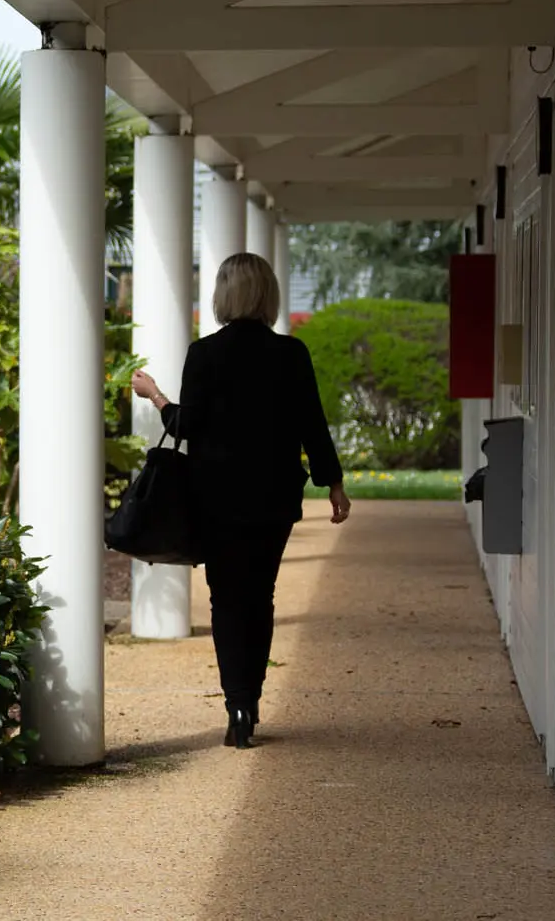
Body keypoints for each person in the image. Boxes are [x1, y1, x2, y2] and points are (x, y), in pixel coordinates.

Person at [130, 252, 350, 750]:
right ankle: (253, 695)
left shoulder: (204, 353)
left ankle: (237, 705)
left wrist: (156, 397)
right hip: (273, 497)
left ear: (224, 295)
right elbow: (312, 424)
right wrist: (333, 483)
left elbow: (188, 427)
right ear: (268, 294)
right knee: (261, 595)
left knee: (227, 598)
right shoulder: (292, 354)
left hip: (217, 496)